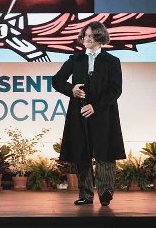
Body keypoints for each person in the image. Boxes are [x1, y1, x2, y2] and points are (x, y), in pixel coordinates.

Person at [52, 21, 125, 206]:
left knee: (105, 153)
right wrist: (71, 89)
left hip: (104, 114)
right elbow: (57, 80)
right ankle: (85, 194)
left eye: (91, 36)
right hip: (79, 114)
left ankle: (105, 192)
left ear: (100, 38)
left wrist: (95, 106)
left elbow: (115, 90)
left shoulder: (112, 61)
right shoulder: (75, 59)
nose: (86, 39)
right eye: (85, 35)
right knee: (81, 152)